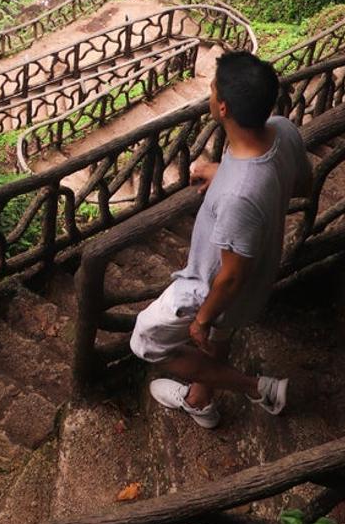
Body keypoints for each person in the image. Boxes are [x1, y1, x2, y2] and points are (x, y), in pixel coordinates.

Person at [129, 51, 312, 428]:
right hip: (259, 275)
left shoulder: (238, 196)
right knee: (220, 335)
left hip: (209, 287)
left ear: (223, 107)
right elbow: (301, 183)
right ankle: (200, 400)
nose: (209, 94)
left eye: (212, 89)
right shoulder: (281, 129)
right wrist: (224, 172)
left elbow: (228, 276)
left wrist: (201, 320)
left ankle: (256, 387)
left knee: (146, 343)